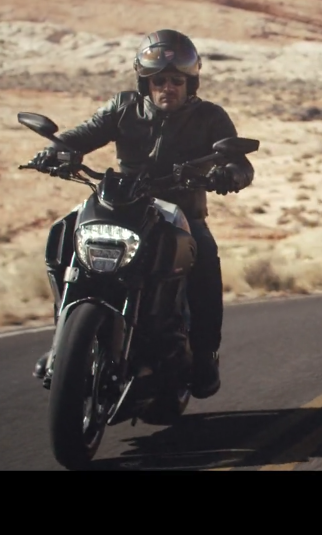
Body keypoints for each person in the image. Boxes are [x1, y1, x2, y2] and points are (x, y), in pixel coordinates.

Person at [28, 29, 254, 399]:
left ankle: (203, 355)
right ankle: (62, 344)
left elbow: (240, 163)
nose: (168, 87)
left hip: (180, 212)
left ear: (190, 83)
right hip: (125, 206)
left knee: (206, 257)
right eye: (159, 80)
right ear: (145, 82)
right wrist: (57, 151)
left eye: (176, 81)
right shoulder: (123, 107)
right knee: (65, 231)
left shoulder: (210, 117)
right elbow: (80, 135)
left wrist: (228, 174)